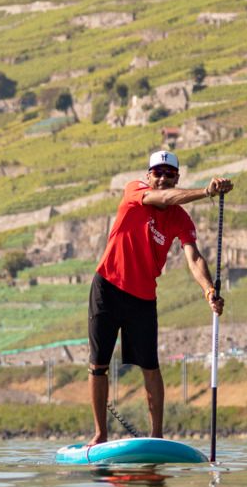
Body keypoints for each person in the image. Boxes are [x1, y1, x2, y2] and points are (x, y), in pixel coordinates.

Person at [86, 148, 229, 445]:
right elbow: (162, 199)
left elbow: (194, 258)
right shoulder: (134, 191)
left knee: (151, 367)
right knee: (98, 364)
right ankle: (100, 435)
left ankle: (157, 436)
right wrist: (206, 192)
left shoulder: (180, 219)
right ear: (148, 176)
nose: (163, 178)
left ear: (177, 178)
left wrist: (208, 290)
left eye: (169, 174)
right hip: (109, 287)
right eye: (158, 173)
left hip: (142, 297)